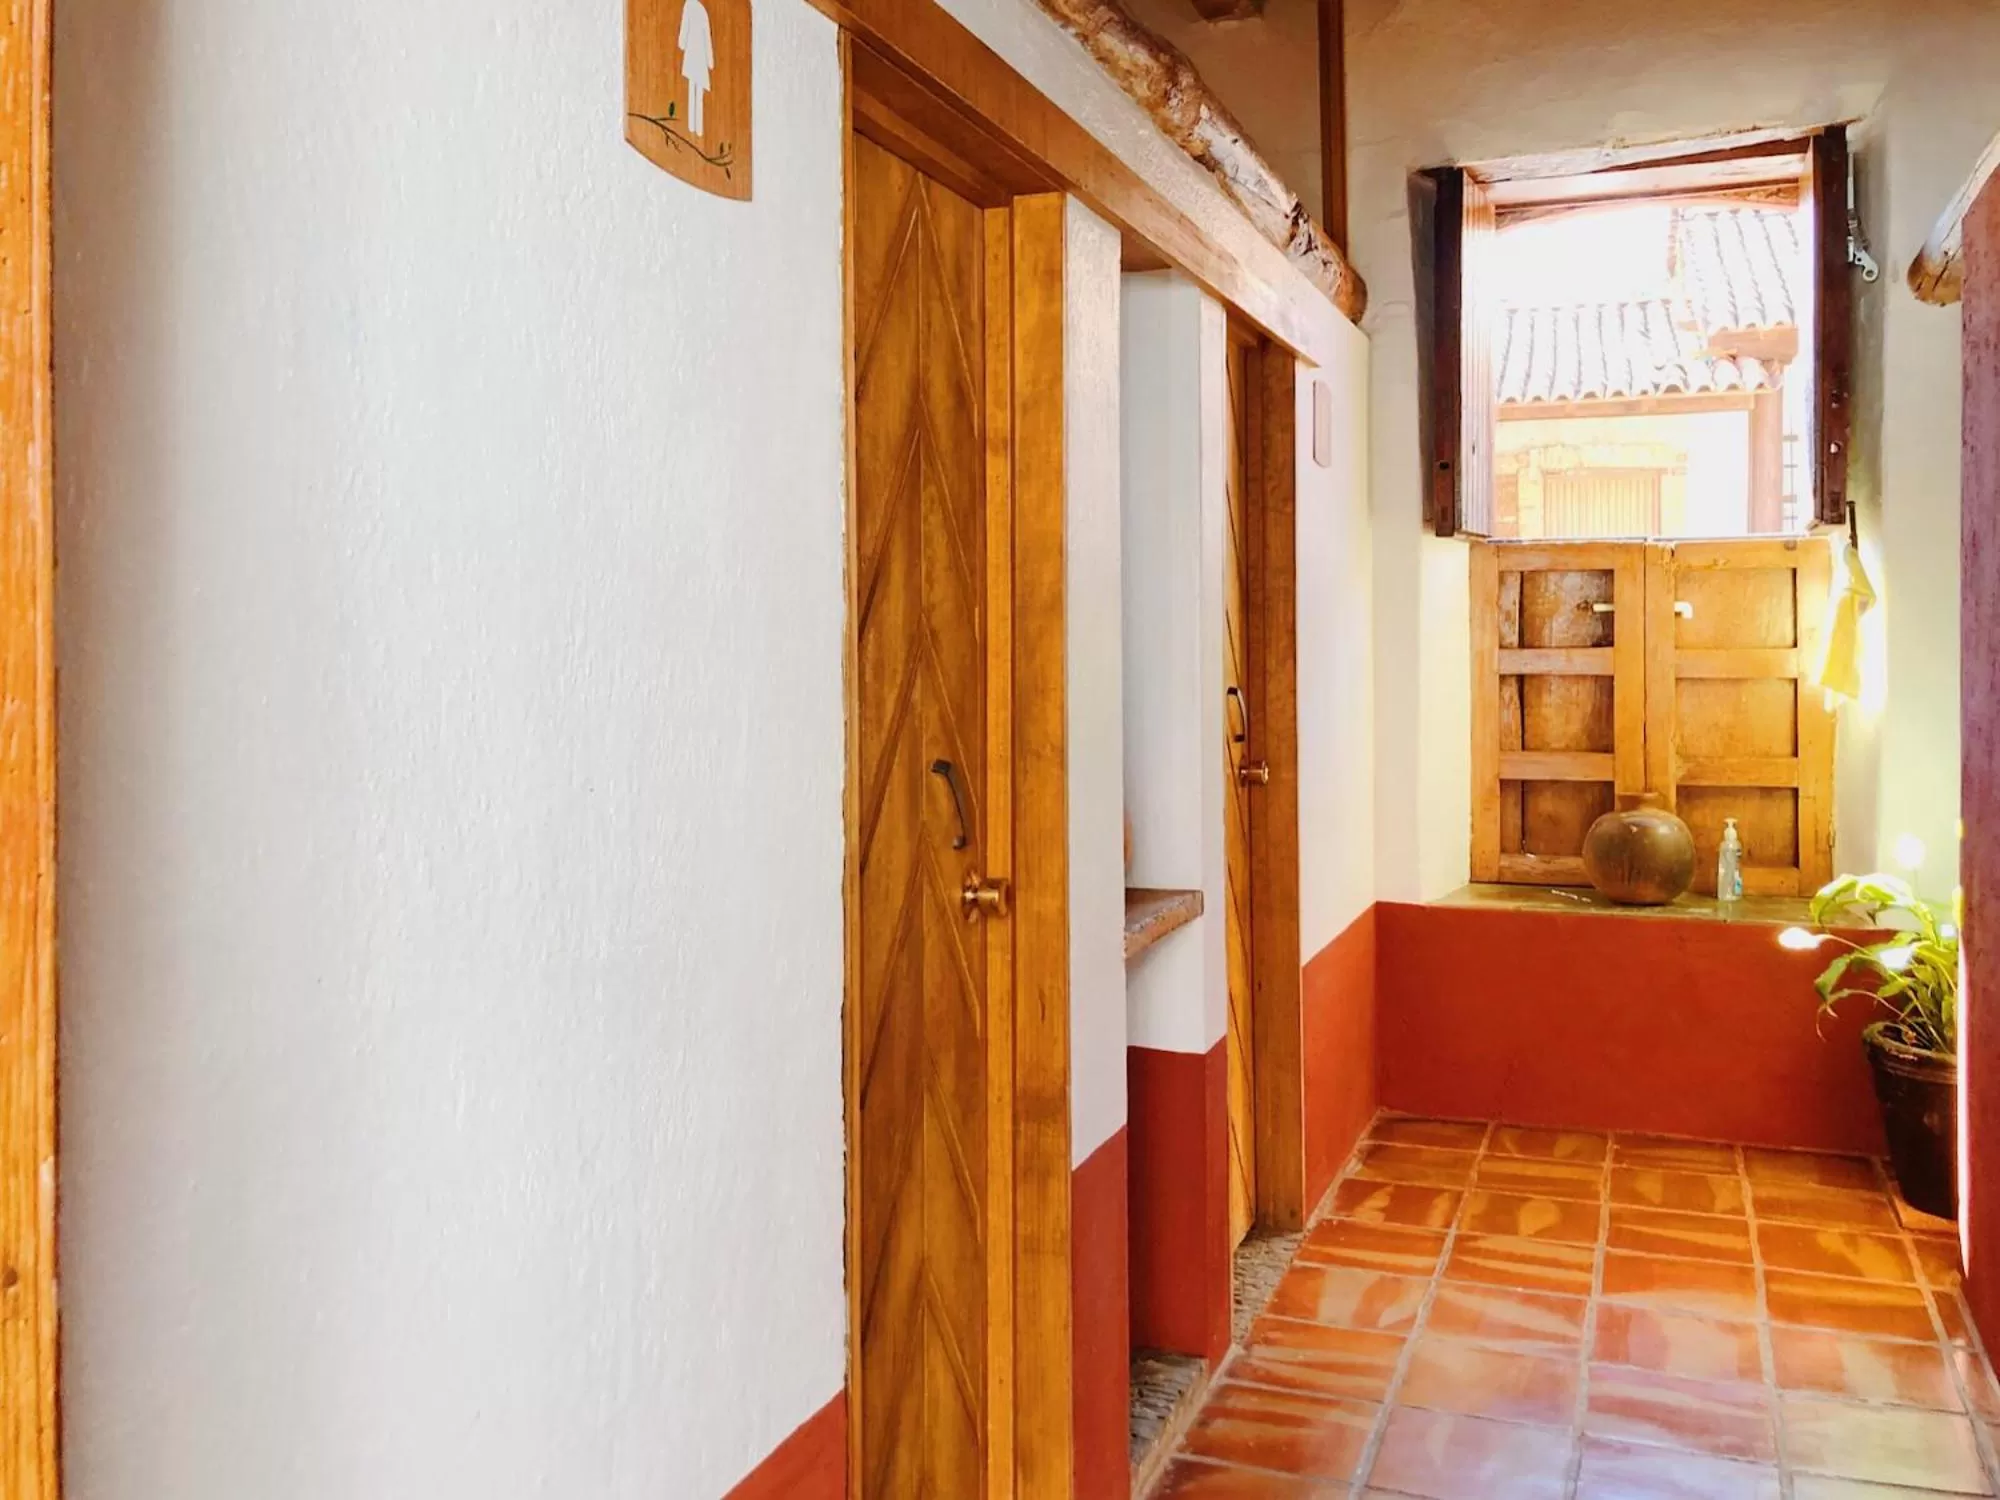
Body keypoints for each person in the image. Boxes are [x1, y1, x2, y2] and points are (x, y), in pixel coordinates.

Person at [678, 0, 714, 138]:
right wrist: (710, 61)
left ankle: (692, 127)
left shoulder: (689, 6)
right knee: (698, 93)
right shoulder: (702, 11)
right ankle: (697, 129)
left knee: (692, 89)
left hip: (692, 54)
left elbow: (684, 29)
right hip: (701, 57)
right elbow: (707, 39)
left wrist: (682, 43)